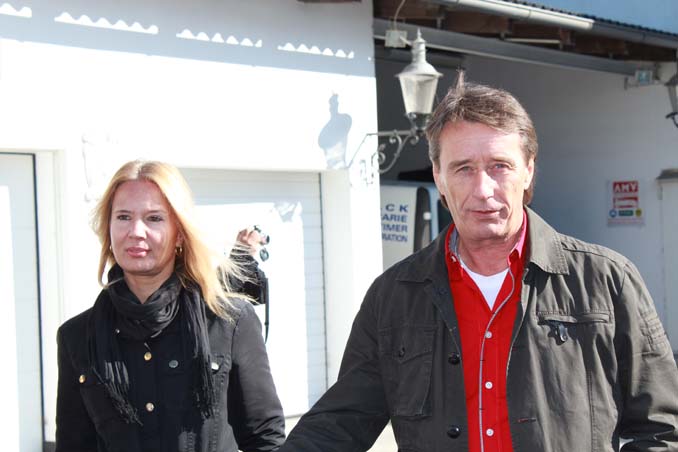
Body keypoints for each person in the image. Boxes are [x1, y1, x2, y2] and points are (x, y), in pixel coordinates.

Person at [279, 73, 678, 451]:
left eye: (499, 166)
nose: (483, 190)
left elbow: (664, 428)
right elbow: (340, 422)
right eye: (463, 169)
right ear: (438, 176)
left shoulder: (606, 281)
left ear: (528, 170)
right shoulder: (393, 297)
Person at [55, 160, 285, 452]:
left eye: (154, 218)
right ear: (108, 229)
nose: (136, 231)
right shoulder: (76, 336)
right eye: (123, 217)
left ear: (179, 232)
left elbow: (266, 439)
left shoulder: (230, 321)